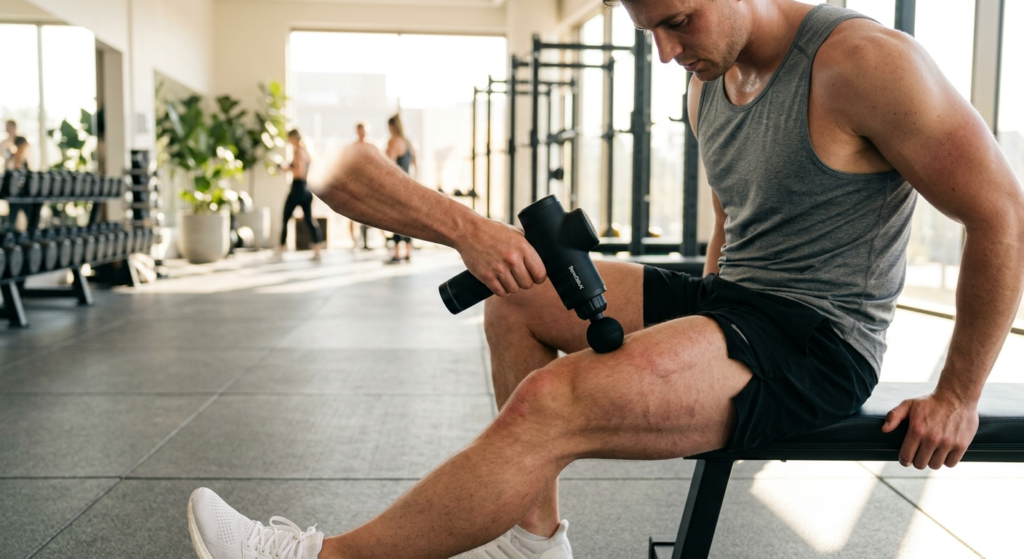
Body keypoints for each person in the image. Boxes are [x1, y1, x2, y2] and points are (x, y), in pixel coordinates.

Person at [186, 2, 1024, 558]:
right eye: (650, 31)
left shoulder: (865, 63)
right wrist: (691, 337)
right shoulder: (709, 82)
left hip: (815, 341)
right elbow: (734, 218)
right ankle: (536, 542)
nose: (666, 51)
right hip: (735, 303)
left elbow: (1001, 214)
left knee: (551, 403)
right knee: (514, 297)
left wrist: (958, 391)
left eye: (677, 22)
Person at [276, 129, 324, 261]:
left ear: (293, 138)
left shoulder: (299, 151)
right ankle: (317, 248)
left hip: (298, 188)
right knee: (309, 219)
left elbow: (299, 172)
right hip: (305, 188)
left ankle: (281, 247)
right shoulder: (305, 151)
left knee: (286, 217)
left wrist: (285, 168)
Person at [384, 114, 417, 264]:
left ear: (392, 127)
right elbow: (415, 164)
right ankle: (408, 252)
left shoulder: (393, 141)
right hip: (409, 185)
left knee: (396, 220)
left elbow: (389, 165)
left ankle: (397, 253)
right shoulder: (409, 142)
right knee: (408, 220)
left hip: (397, 186)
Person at [349, 122, 372, 250]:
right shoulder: (353, 147)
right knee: (352, 214)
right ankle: (354, 241)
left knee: (368, 214)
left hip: (368, 185)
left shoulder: (371, 147)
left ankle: (366, 241)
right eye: (360, 130)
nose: (362, 132)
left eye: (363, 130)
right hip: (356, 184)